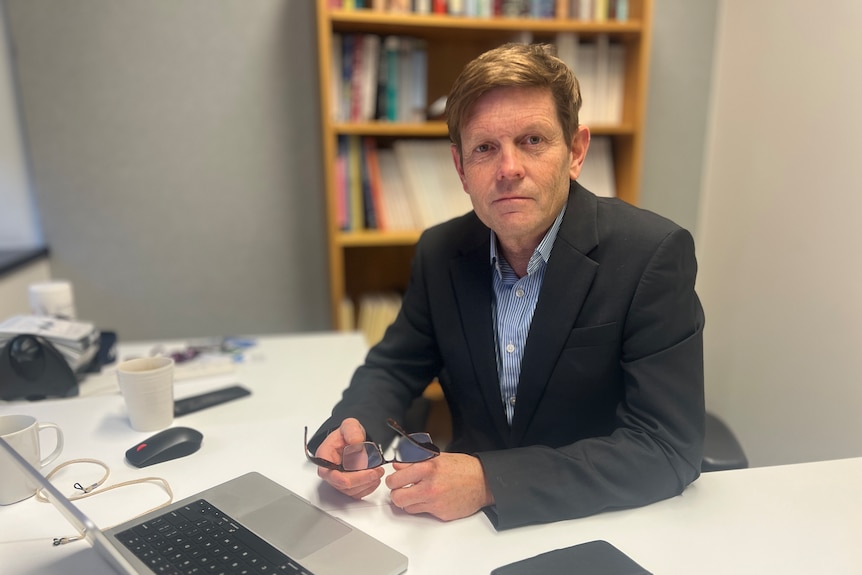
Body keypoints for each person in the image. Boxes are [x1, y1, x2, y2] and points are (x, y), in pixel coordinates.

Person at [306, 42, 705, 531]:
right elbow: (394, 366)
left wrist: (491, 479)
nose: (509, 168)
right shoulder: (441, 252)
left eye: (533, 140)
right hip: (466, 531)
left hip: (601, 524)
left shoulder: (652, 254)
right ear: (461, 169)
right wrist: (353, 431)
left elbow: (666, 447)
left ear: (576, 152)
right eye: (484, 148)